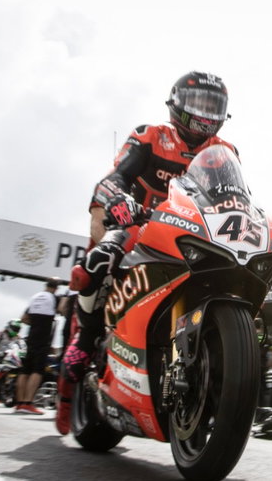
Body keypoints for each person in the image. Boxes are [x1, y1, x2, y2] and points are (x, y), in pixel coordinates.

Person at [66, 72, 237, 370]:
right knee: (101, 257)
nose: (205, 113)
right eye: (198, 103)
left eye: (212, 105)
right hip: (141, 227)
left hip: (197, 234)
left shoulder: (225, 152)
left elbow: (237, 199)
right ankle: (85, 336)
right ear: (178, 103)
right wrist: (118, 199)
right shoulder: (150, 135)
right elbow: (115, 177)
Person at [12, 279, 62, 415]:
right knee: (37, 371)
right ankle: (28, 403)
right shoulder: (53, 298)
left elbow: (23, 318)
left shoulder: (35, 297)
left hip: (31, 336)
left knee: (24, 370)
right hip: (43, 338)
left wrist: (35, 323)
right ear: (56, 288)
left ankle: (20, 403)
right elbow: (62, 310)